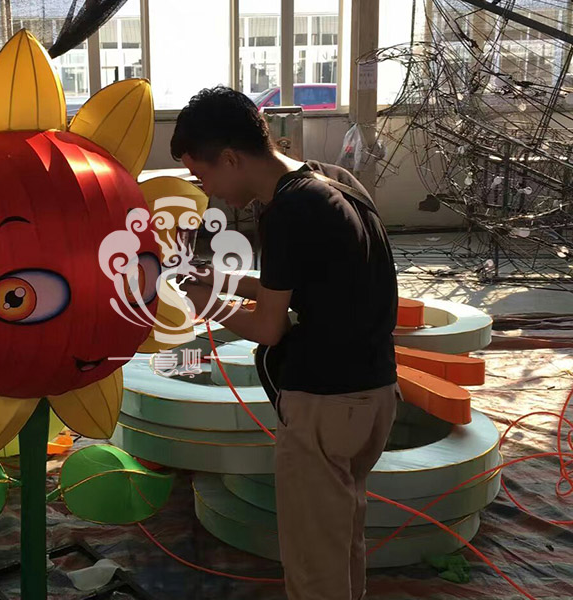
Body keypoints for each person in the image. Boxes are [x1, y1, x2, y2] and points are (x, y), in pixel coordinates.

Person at [171, 86, 400, 600]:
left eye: (203, 176)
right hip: (373, 394)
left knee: (314, 564)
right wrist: (217, 279)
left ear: (231, 158)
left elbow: (269, 328)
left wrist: (203, 302)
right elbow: (300, 285)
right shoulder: (329, 181)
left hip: (326, 404)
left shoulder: (288, 211)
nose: (208, 191)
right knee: (339, 539)